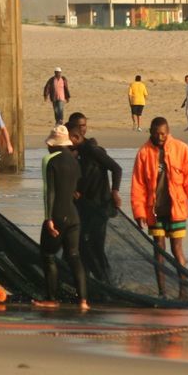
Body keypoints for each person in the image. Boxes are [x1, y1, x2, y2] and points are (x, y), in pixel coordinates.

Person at [131, 117, 188, 299]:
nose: (160, 137)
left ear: (168, 131)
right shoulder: (144, 153)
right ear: (150, 132)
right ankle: (162, 292)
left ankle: (183, 291)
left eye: (163, 133)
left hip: (176, 210)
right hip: (154, 212)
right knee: (159, 251)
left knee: (177, 250)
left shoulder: (181, 149)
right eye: (156, 133)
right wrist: (139, 212)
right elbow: (138, 185)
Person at [35, 125, 88, 311]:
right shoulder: (75, 161)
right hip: (74, 216)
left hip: (57, 215)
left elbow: (49, 191)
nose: (48, 147)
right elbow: (76, 188)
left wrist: (49, 219)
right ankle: (83, 301)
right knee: (74, 256)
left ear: (55, 145)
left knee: (48, 255)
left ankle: (52, 298)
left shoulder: (50, 161)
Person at [67, 112, 122, 283]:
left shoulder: (92, 149)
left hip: (100, 206)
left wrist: (114, 192)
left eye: (85, 125)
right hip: (85, 207)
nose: (84, 129)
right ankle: (89, 281)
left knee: (96, 246)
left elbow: (116, 168)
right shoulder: (73, 152)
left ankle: (106, 281)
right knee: (83, 246)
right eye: (80, 126)